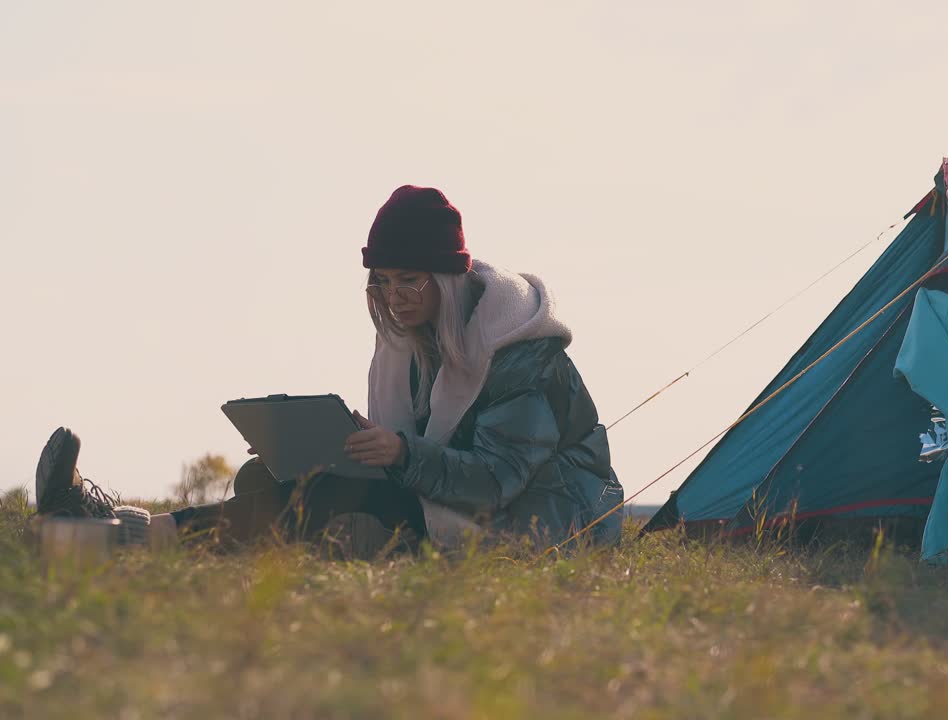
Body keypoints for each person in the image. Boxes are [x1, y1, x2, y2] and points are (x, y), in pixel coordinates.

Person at [31, 185, 625, 551]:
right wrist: (348, 446)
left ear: (447, 276)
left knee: (326, 498)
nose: (395, 297)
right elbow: (424, 450)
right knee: (273, 485)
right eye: (383, 281)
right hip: (461, 506)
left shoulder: (519, 353)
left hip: (553, 524)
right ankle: (127, 531)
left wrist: (400, 454)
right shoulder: (418, 342)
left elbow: (498, 481)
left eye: (410, 280)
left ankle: (118, 536)